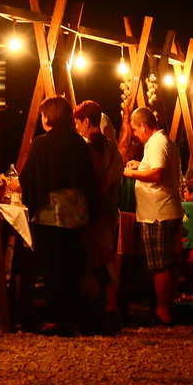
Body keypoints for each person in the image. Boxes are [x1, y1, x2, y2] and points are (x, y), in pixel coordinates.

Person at [20, 95, 98, 337]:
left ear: (48, 118)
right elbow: (89, 179)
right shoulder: (79, 143)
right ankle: (72, 316)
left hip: (50, 213)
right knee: (72, 264)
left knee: (52, 266)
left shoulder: (42, 143)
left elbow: (28, 177)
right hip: (77, 212)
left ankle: (57, 319)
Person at [124, 107, 183, 323]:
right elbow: (158, 168)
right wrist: (141, 165)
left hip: (157, 214)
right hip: (165, 210)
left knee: (160, 266)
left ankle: (162, 311)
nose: (135, 134)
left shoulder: (157, 143)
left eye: (135, 129)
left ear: (143, 126)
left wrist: (132, 173)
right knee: (168, 264)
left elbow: (158, 173)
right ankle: (168, 308)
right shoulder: (164, 142)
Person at [74, 100, 123, 331]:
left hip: (94, 209)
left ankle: (104, 312)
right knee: (105, 258)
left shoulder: (91, 148)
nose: (76, 128)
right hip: (107, 207)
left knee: (97, 259)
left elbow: (88, 179)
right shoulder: (111, 147)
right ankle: (110, 311)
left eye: (77, 123)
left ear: (86, 121)